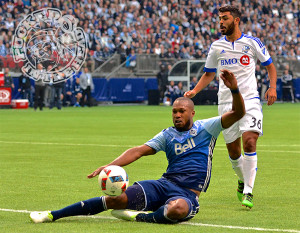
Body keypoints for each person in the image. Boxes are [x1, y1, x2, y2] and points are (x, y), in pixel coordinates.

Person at [30, 69, 245, 224]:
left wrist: (234, 90)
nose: (177, 115)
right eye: (174, 111)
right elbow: (138, 151)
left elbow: (238, 113)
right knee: (116, 199)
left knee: (177, 209)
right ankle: (53, 214)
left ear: (192, 112)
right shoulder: (167, 135)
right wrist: (108, 165)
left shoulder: (207, 128)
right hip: (163, 185)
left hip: (187, 194)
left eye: (182, 111)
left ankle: (142, 216)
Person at [184, 5, 277, 209]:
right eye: (219, 19)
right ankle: (242, 179)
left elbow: (269, 65)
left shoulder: (252, 43)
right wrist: (195, 91)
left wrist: (272, 87)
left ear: (236, 20)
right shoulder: (216, 46)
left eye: (224, 18)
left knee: (250, 141)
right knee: (234, 152)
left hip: (250, 100)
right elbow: (209, 73)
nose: (220, 23)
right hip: (226, 103)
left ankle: (249, 192)